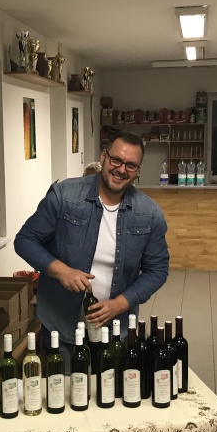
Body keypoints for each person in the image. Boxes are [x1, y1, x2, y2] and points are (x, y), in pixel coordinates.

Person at [14, 132, 169, 368]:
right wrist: (61, 271)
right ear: (104, 157)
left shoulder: (149, 213)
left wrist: (119, 304)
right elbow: (25, 240)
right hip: (61, 325)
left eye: (131, 165)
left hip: (115, 328)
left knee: (110, 387)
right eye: (116, 160)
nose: (121, 170)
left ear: (138, 170)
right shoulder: (64, 196)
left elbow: (157, 270)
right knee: (66, 389)